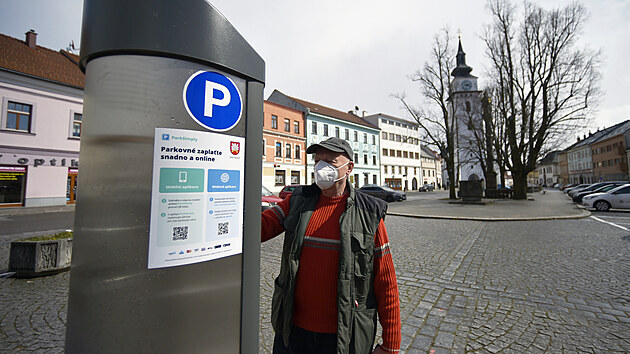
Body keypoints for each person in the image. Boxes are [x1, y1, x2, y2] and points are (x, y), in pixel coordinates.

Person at [261, 137, 401, 354]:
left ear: (349, 168)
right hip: (293, 333)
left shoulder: (368, 214)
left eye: (330, 162)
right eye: (318, 161)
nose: (321, 168)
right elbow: (259, 228)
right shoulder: (297, 202)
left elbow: (386, 282)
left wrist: (391, 345)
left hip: (342, 337)